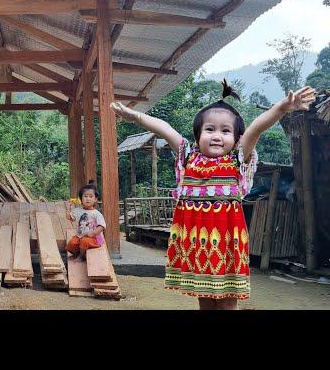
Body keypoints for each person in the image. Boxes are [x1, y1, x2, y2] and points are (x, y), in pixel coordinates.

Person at [111, 80, 316, 310]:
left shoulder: (237, 160)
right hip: (197, 246)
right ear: (198, 135)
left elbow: (256, 128)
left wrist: (281, 107)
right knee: (205, 301)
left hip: (227, 246)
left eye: (225, 130)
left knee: (227, 303)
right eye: (210, 129)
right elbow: (164, 128)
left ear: (237, 138)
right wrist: (135, 116)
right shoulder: (188, 157)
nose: (217, 136)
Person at [65, 181, 106, 261]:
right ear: (81, 199)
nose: (88, 199)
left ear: (95, 199)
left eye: (91, 196)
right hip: (80, 236)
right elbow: (70, 218)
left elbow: (102, 226)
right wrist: (68, 209)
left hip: (93, 238)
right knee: (71, 244)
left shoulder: (96, 213)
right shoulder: (77, 210)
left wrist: (93, 233)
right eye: (85, 196)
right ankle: (80, 254)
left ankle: (81, 256)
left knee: (84, 241)